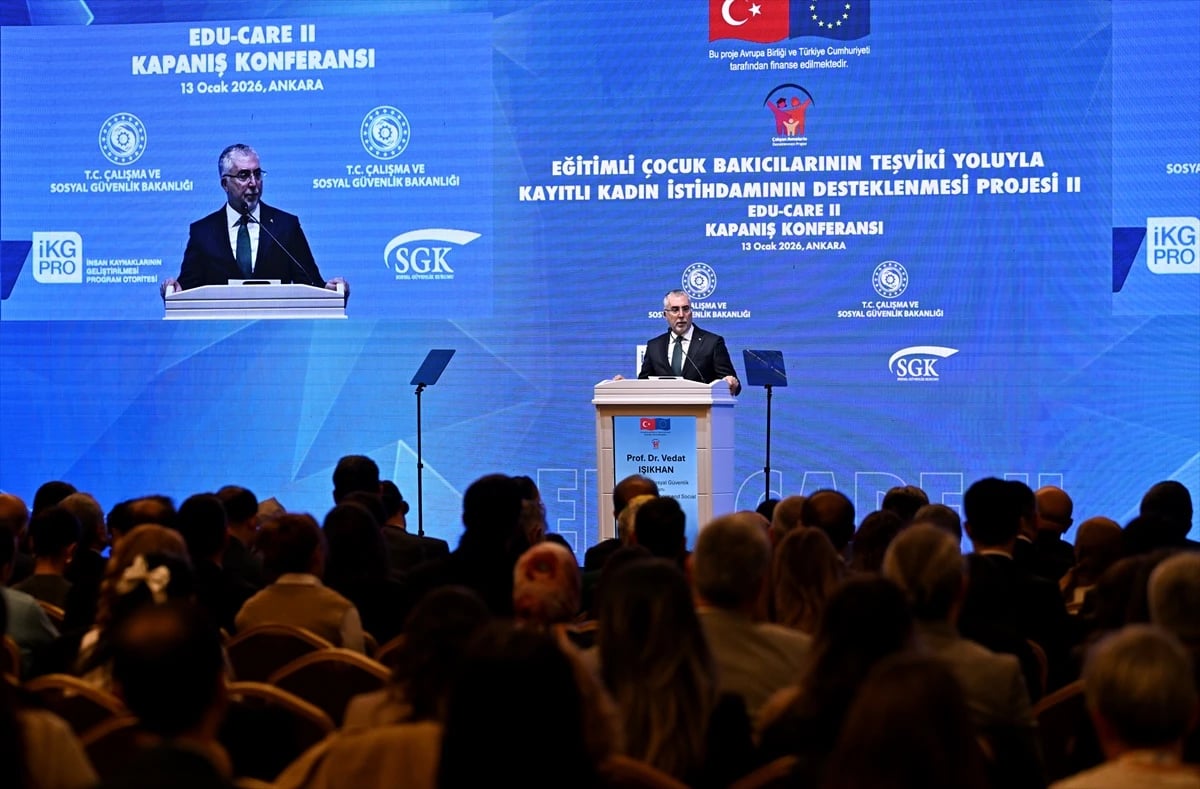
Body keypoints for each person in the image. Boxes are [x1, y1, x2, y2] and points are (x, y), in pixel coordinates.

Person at [164, 144, 346, 294]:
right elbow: (186, 291)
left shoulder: (286, 226)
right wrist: (174, 290)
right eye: (244, 175)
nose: (253, 183)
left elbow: (311, 284)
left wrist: (332, 292)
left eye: (257, 174)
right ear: (225, 184)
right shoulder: (203, 232)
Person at [635, 290, 740, 394]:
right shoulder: (654, 346)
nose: (681, 315)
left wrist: (731, 382)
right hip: (664, 404)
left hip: (701, 404)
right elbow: (642, 386)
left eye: (685, 309)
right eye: (675, 310)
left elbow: (733, 384)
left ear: (691, 312)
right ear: (665, 315)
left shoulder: (712, 343)